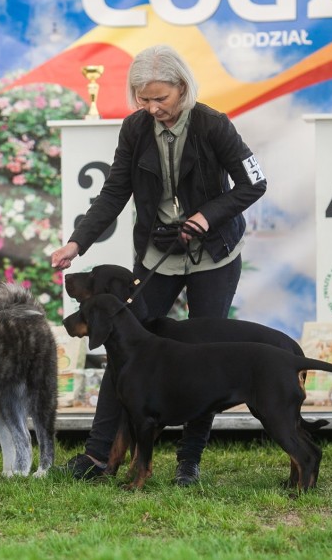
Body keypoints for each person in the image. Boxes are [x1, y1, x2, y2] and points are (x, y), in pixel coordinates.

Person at [50, 44, 267, 486]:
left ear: (182, 88)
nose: (151, 108)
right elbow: (114, 193)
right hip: (156, 257)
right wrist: (77, 242)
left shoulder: (214, 125)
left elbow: (254, 182)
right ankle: (97, 457)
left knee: (206, 359)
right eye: (143, 99)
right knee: (123, 349)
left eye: (160, 98)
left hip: (215, 254)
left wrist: (206, 216)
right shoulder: (134, 129)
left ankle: (189, 462)